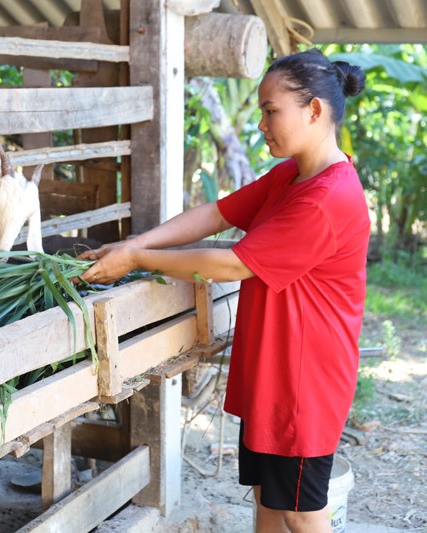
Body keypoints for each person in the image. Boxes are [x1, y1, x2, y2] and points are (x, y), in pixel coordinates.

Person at [78, 48, 369, 533]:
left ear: (314, 110)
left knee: (299, 508)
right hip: (274, 373)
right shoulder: (291, 176)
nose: (261, 124)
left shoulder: (326, 198)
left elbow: (234, 263)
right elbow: (217, 214)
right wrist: (138, 241)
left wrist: (137, 259)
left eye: (271, 110)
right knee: (268, 498)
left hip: (303, 385)